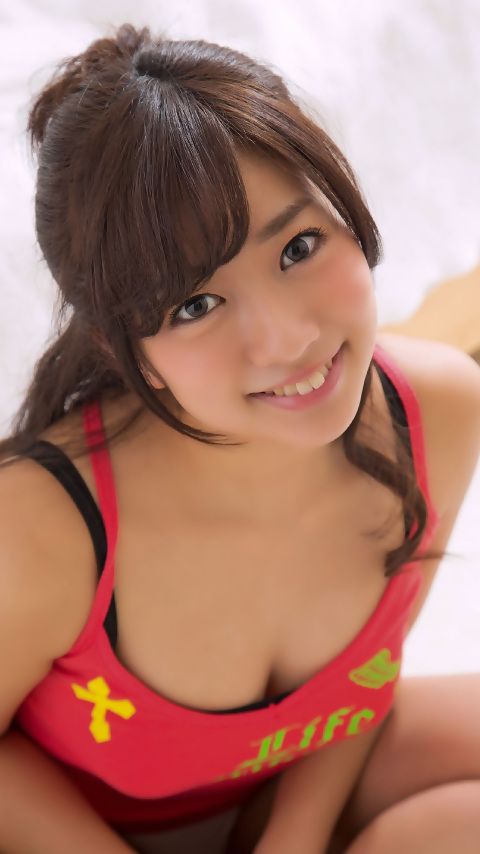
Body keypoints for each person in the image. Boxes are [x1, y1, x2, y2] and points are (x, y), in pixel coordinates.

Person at [1, 21, 480, 854]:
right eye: (195, 305)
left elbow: (367, 679)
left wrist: (294, 837)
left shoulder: (438, 407)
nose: (287, 340)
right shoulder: (41, 527)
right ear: (123, 348)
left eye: (299, 246)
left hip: (275, 789)